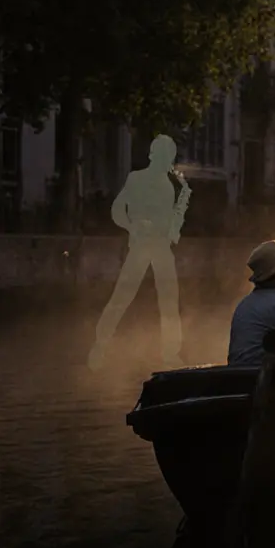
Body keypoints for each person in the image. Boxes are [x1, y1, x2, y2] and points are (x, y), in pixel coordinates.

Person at [87, 135, 189, 371]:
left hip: (162, 247)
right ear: (157, 156)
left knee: (169, 300)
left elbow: (169, 221)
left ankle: (171, 354)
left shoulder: (168, 185)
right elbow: (117, 209)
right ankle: (100, 345)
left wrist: (175, 223)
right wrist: (132, 226)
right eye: (168, 158)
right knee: (122, 296)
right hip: (142, 245)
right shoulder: (137, 178)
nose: (170, 164)